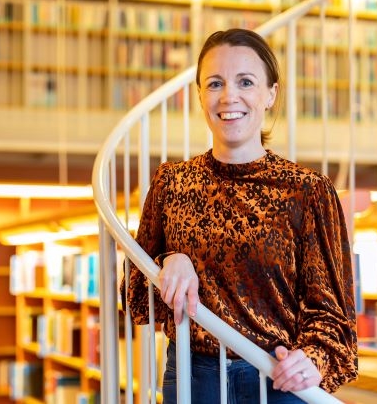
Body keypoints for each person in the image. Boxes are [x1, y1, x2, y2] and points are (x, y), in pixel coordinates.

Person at [122, 28, 358, 403]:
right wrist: (168, 260)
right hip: (193, 377)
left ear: (270, 94)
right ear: (200, 95)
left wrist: (314, 358)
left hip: (278, 381)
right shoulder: (172, 183)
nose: (229, 96)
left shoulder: (307, 191)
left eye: (245, 82)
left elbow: (333, 313)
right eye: (215, 83)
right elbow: (136, 296)